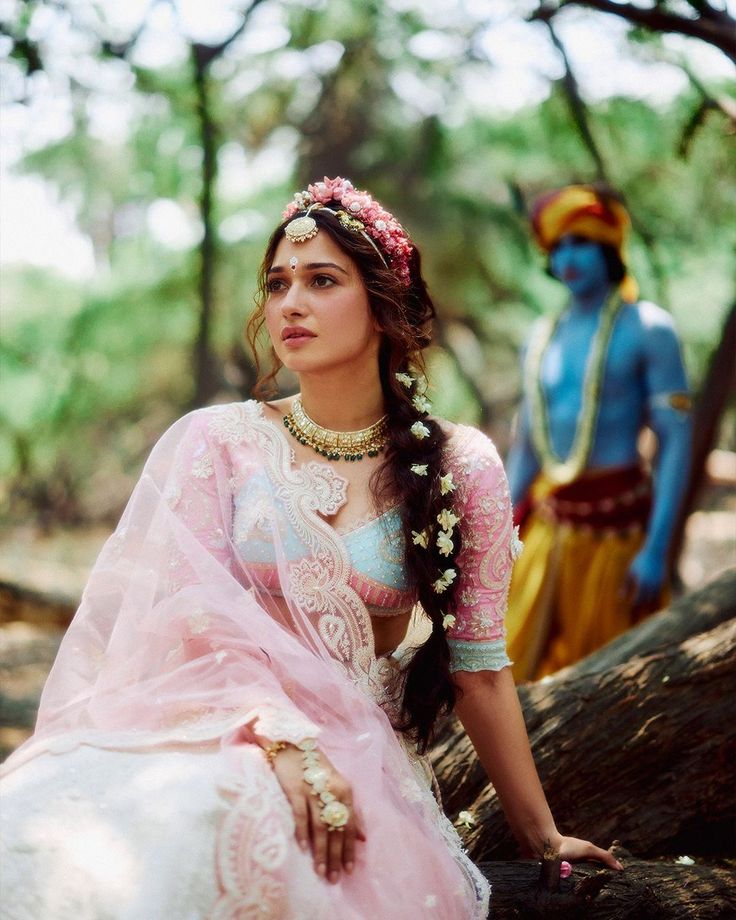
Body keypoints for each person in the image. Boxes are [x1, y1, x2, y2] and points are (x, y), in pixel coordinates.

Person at [1, 177, 620, 919]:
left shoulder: (462, 466)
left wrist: (542, 836)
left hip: (359, 749)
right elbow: (185, 618)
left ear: (385, 303)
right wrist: (279, 740)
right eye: (277, 283)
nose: (289, 303)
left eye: (322, 281)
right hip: (210, 721)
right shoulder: (221, 443)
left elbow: (480, 670)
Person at [505, 184, 693, 682]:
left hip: (620, 536)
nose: (568, 257)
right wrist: (492, 532)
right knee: (508, 672)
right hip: (547, 531)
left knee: (618, 683)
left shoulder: (648, 328)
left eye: (580, 242)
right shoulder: (540, 337)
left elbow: (675, 443)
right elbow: (527, 447)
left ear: (608, 247)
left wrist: (657, 551)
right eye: (558, 246)